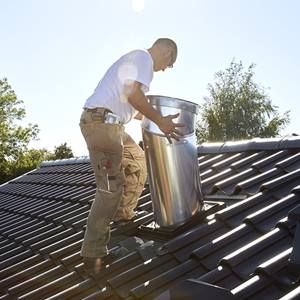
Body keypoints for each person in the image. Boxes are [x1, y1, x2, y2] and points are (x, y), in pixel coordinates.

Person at [79, 38, 184, 274]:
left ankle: (122, 217)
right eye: (171, 61)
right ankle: (92, 254)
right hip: (101, 125)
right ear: (166, 50)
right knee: (109, 188)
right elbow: (133, 94)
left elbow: (133, 107)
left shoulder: (137, 61)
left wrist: (158, 119)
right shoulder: (143, 58)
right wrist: (160, 121)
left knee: (138, 162)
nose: (167, 67)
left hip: (111, 125)